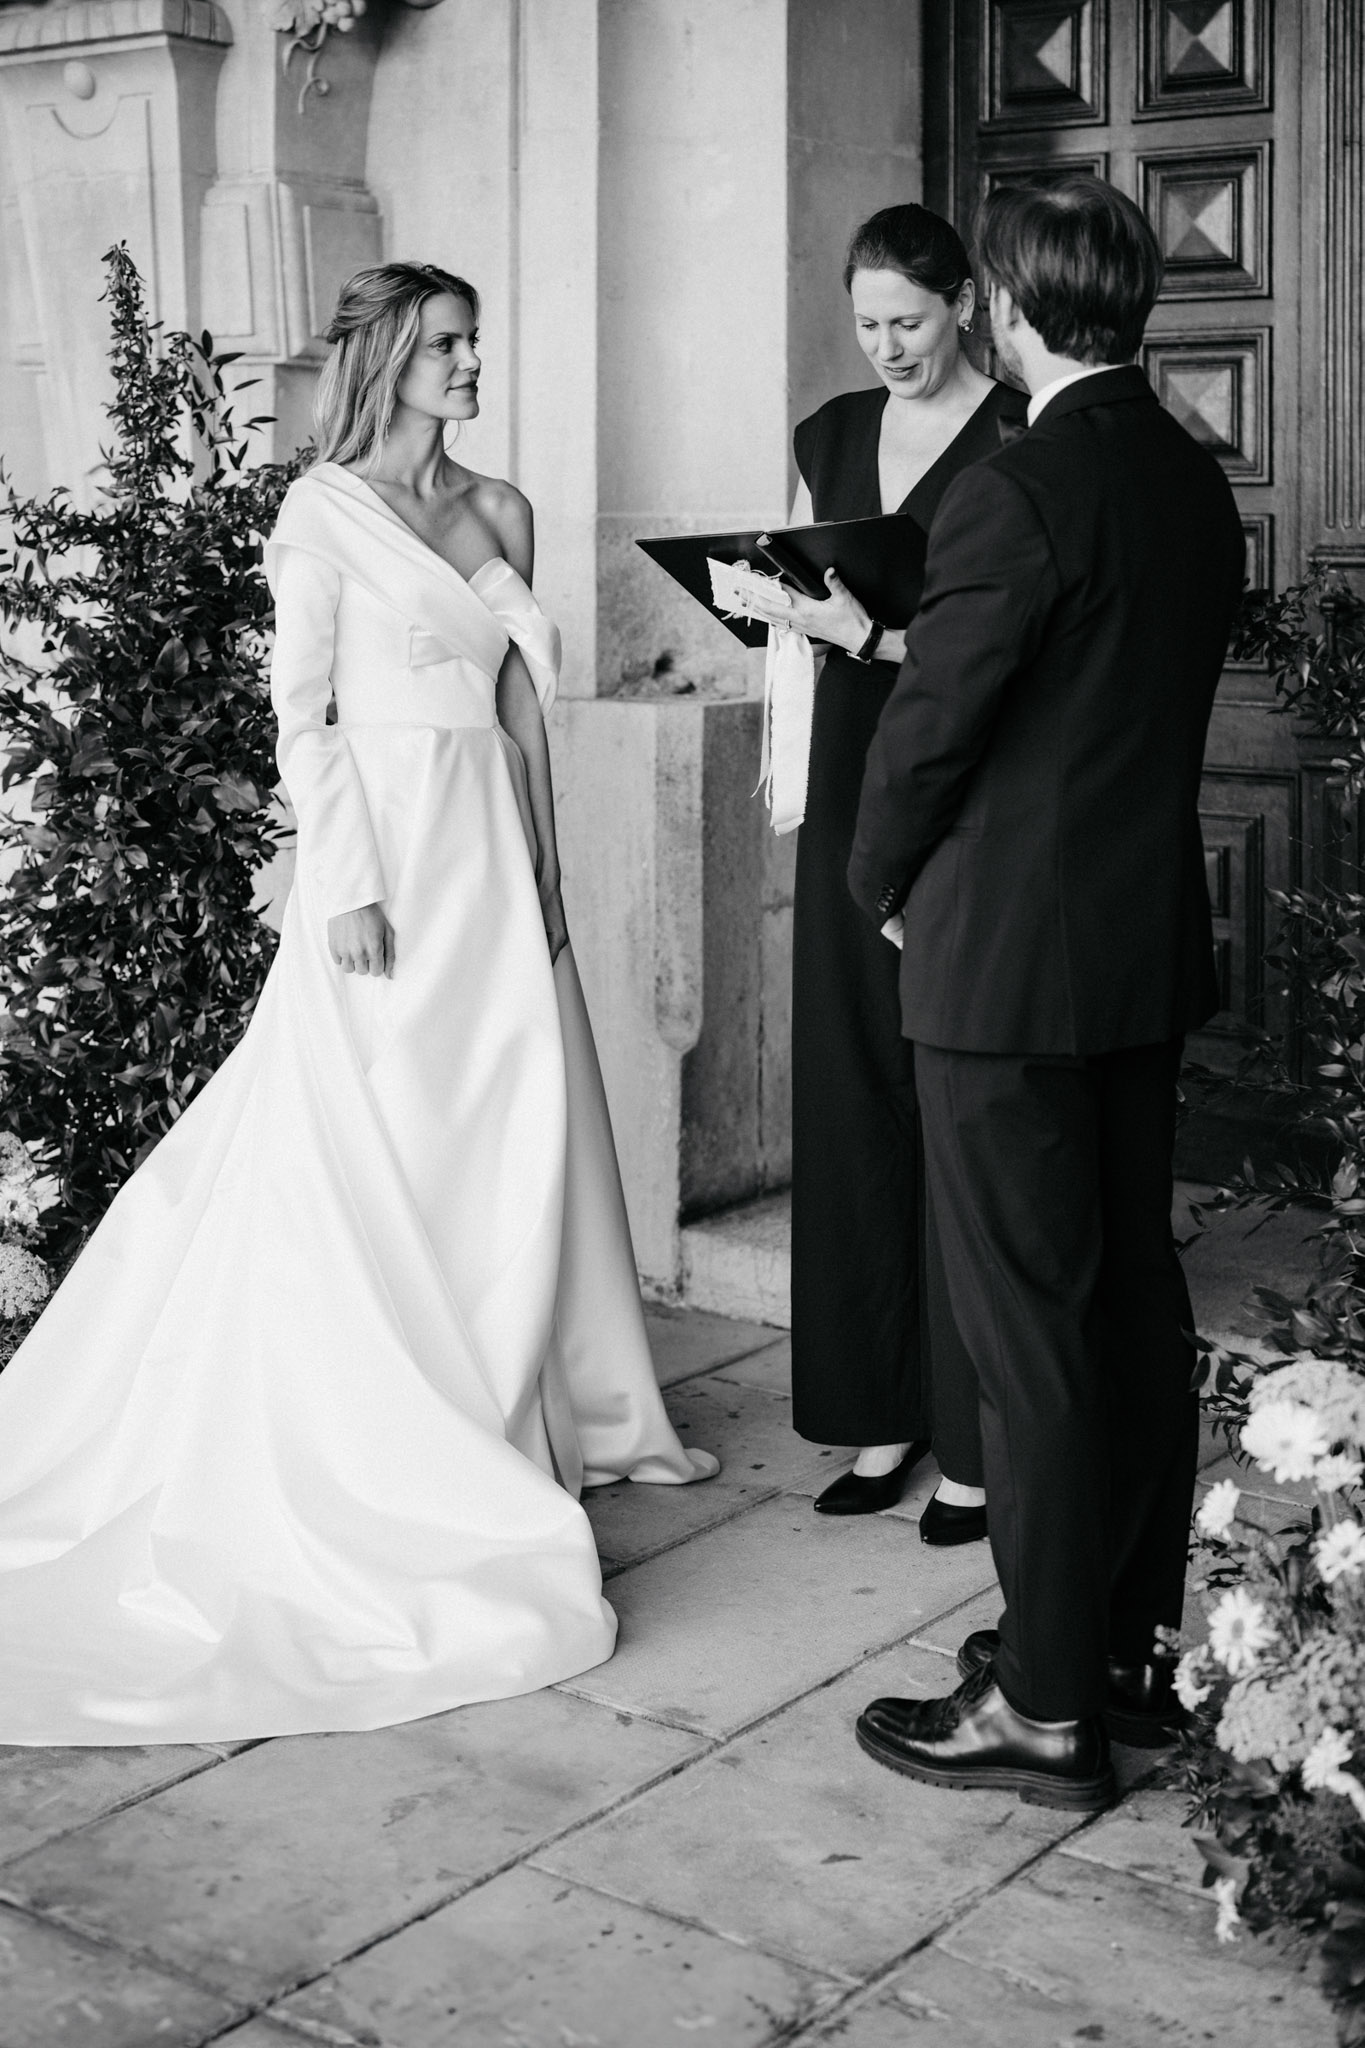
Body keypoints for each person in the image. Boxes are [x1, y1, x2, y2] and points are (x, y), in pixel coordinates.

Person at [0, 260, 716, 1747]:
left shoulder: (504, 510)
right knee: (385, 1130)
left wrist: (554, 886)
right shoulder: (318, 516)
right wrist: (344, 885)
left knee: (504, 1127)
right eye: (449, 345)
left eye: (475, 343)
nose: (472, 365)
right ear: (388, 356)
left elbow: (520, 717)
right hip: (382, 860)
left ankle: (511, 1403)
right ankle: (402, 1430)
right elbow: (300, 714)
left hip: (493, 869)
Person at [847, 177, 1245, 1810]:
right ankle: (1125, 1663)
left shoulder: (1014, 491)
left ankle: (1046, 1702)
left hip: (1002, 966)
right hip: (1135, 952)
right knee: (1129, 1313)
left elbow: (929, 731)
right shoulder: (1185, 477)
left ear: (1006, 307)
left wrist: (879, 882)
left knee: (1031, 1335)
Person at [740, 205, 1026, 1535]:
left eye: (906, 321)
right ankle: (878, 1415)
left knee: (953, 1117)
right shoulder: (829, 432)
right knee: (853, 1106)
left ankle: (973, 1442)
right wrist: (768, 602)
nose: (886, 347)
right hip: (850, 785)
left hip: (965, 798)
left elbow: (1016, 659)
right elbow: (802, 588)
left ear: (963, 303)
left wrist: (868, 637)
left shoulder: (1023, 441)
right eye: (864, 325)